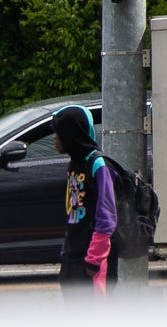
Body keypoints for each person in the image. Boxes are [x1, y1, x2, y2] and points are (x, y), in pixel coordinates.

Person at [52, 104, 117, 298]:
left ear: (72, 134)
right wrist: (66, 251)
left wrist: (94, 259)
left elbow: (107, 216)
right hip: (72, 255)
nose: (55, 139)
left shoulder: (97, 164)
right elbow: (73, 211)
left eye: (59, 133)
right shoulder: (73, 164)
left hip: (92, 259)